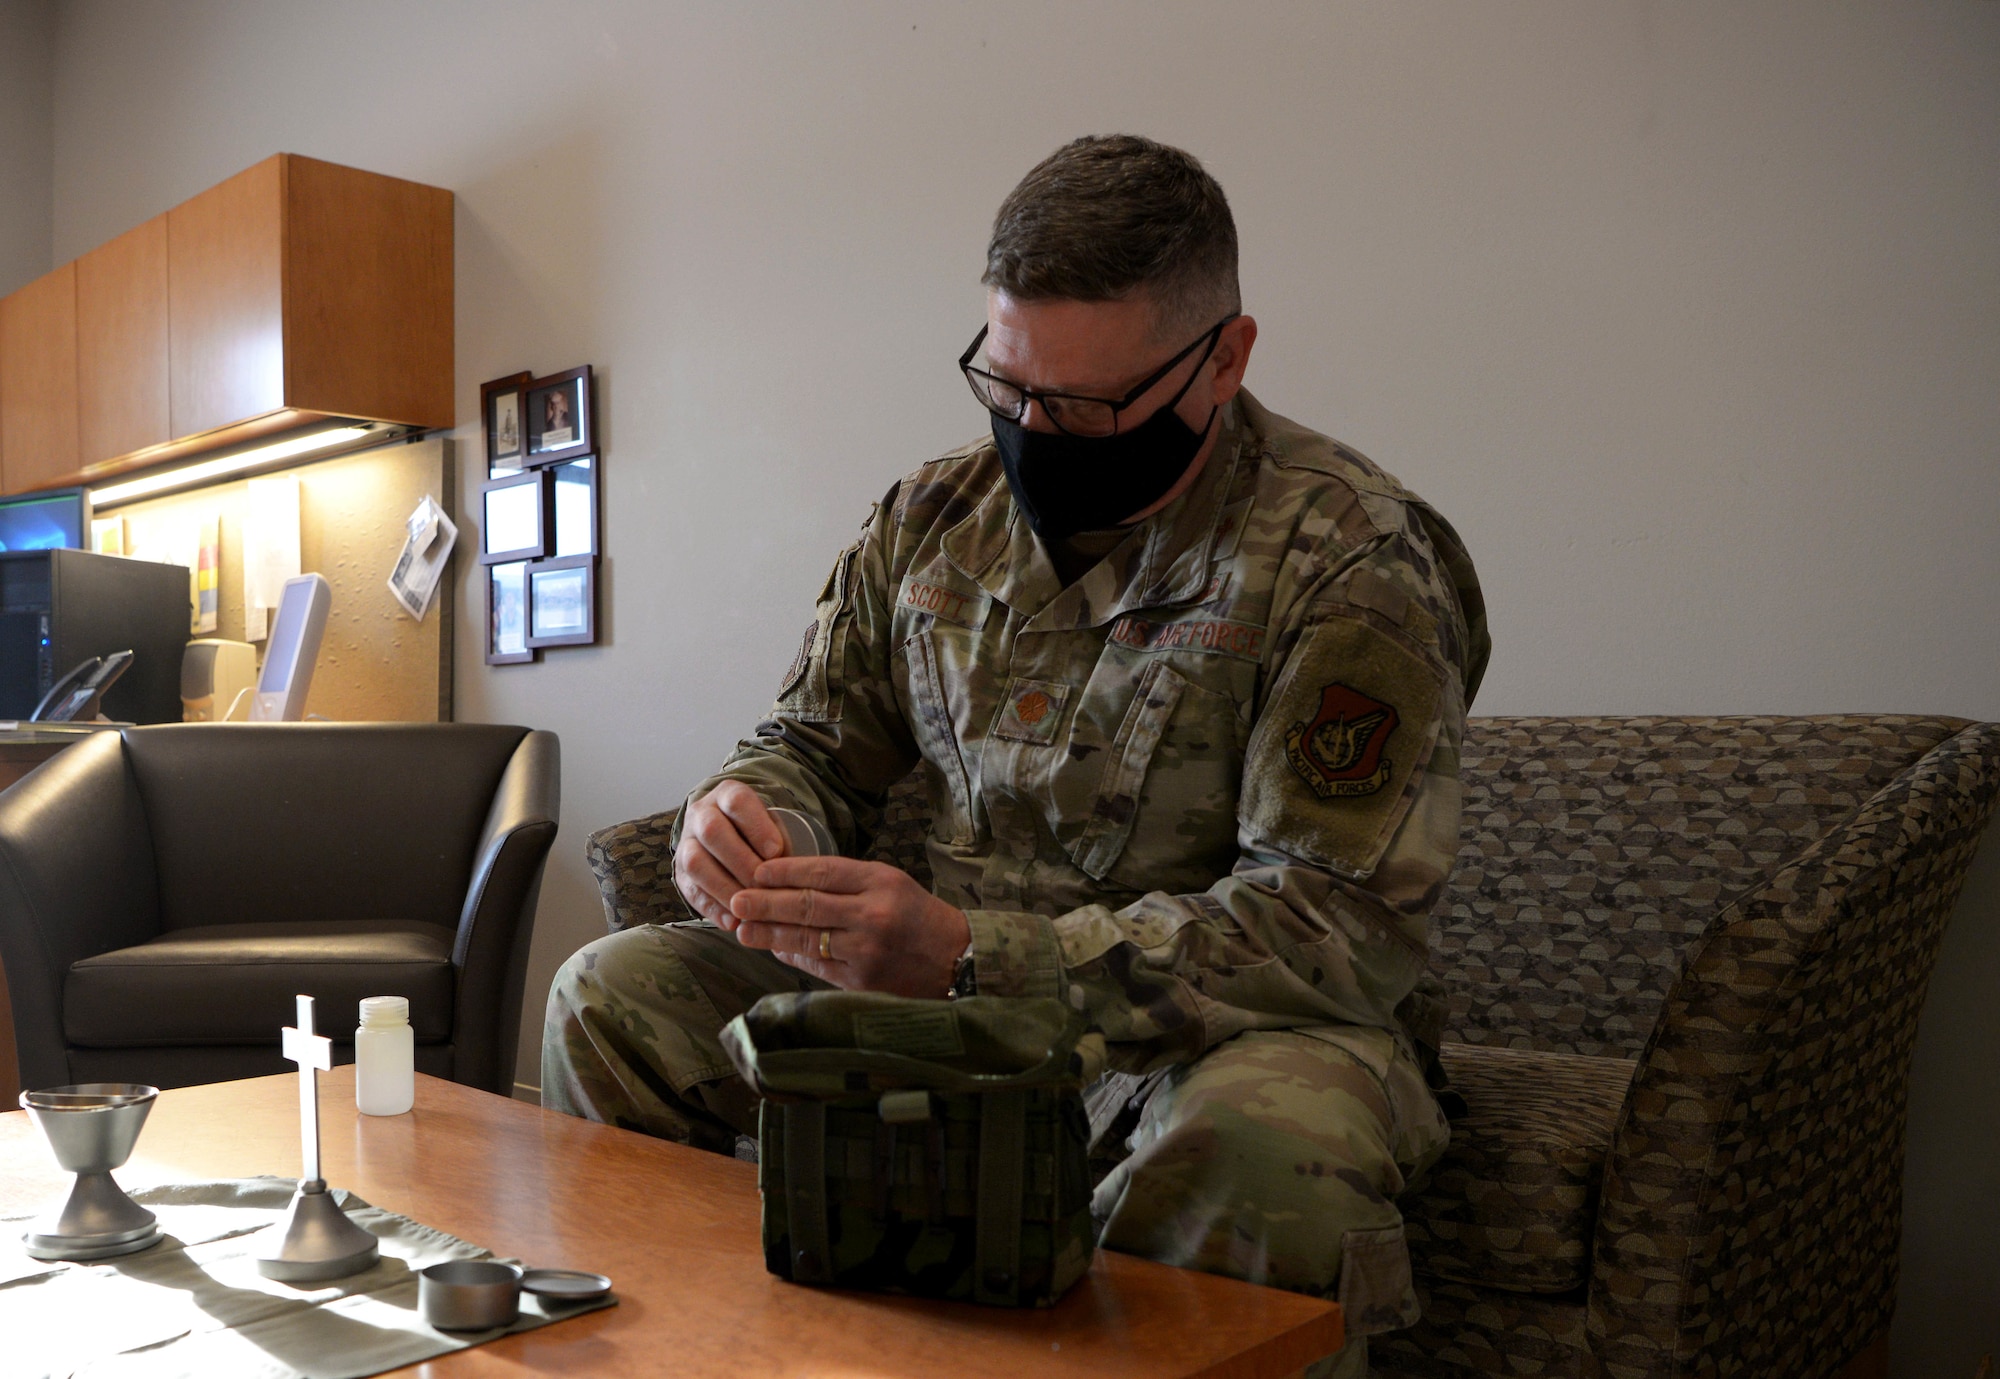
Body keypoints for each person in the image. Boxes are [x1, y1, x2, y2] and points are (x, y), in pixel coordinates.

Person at [544, 134, 1488, 1378]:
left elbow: (1333, 927)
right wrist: (747, 816)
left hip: (1202, 1039)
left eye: (1089, 405)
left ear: (1225, 359)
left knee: (1264, 1142)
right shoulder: (930, 520)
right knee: (607, 998)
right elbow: (809, 745)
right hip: (941, 1009)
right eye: (1005, 387)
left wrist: (972, 957)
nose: (1037, 431)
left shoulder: (1350, 558)